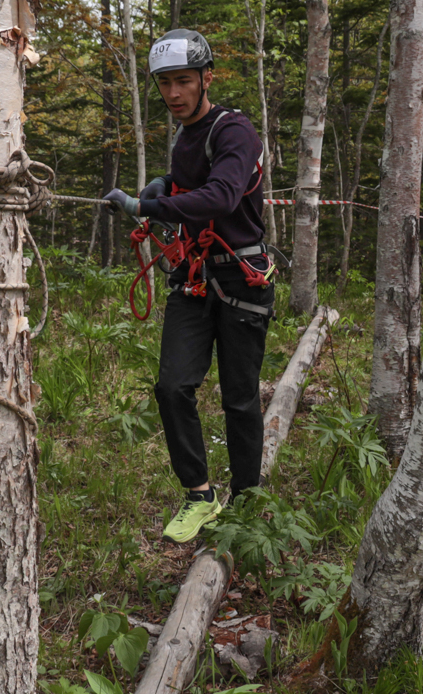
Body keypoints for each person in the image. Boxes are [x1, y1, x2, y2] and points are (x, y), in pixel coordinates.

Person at [104, 28, 275, 543]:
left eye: (183, 81)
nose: (174, 93)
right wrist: (167, 184)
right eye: (165, 84)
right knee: (172, 386)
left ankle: (247, 498)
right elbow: (195, 185)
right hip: (195, 279)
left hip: (241, 277)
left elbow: (221, 196)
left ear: (206, 79)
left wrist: (147, 204)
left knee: (239, 397)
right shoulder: (185, 138)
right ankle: (200, 495)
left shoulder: (234, 130)